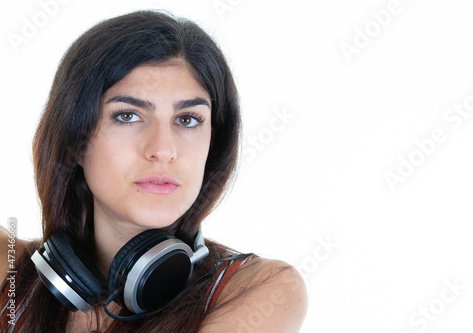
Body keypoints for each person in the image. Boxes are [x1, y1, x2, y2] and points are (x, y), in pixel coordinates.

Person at [0, 9, 308, 333]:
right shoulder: (9, 269)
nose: (163, 149)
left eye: (187, 120)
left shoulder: (259, 290)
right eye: (128, 116)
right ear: (76, 140)